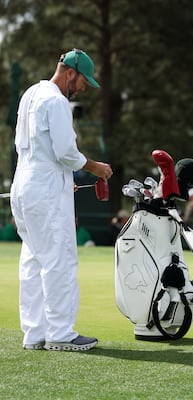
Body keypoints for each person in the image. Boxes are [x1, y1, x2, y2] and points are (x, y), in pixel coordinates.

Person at [10, 49, 112, 351]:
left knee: (33, 259)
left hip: (23, 182)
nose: (83, 88)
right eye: (83, 81)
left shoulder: (31, 93)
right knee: (60, 259)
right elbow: (66, 152)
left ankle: (35, 333)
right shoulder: (56, 100)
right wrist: (96, 167)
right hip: (46, 185)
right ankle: (60, 333)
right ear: (71, 73)